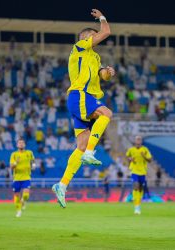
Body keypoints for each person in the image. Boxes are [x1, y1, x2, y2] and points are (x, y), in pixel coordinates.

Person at [52, 9, 115, 208]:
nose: (95, 37)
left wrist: (108, 72)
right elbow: (106, 33)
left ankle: (61, 185)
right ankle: (90, 152)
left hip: (83, 100)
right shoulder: (79, 47)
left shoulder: (94, 57)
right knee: (107, 113)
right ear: (86, 38)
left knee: (80, 145)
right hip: (80, 95)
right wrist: (102, 18)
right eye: (92, 35)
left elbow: (101, 76)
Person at [126, 135, 152, 215]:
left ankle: (138, 204)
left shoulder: (145, 149)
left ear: (141, 141)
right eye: (137, 139)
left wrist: (144, 156)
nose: (138, 141)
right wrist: (130, 160)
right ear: (135, 141)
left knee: (140, 189)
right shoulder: (131, 150)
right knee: (136, 186)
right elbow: (127, 157)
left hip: (143, 172)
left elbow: (150, 160)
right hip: (134, 171)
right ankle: (136, 207)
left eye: (139, 139)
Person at [9, 138, 36, 217]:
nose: (21, 144)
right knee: (16, 195)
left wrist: (33, 165)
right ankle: (18, 210)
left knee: (26, 195)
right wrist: (16, 162)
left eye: (22, 143)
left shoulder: (29, 153)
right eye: (19, 143)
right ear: (17, 145)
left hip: (26, 177)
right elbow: (11, 166)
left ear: (25, 145)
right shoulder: (14, 154)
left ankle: (23, 201)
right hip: (17, 178)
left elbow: (33, 161)